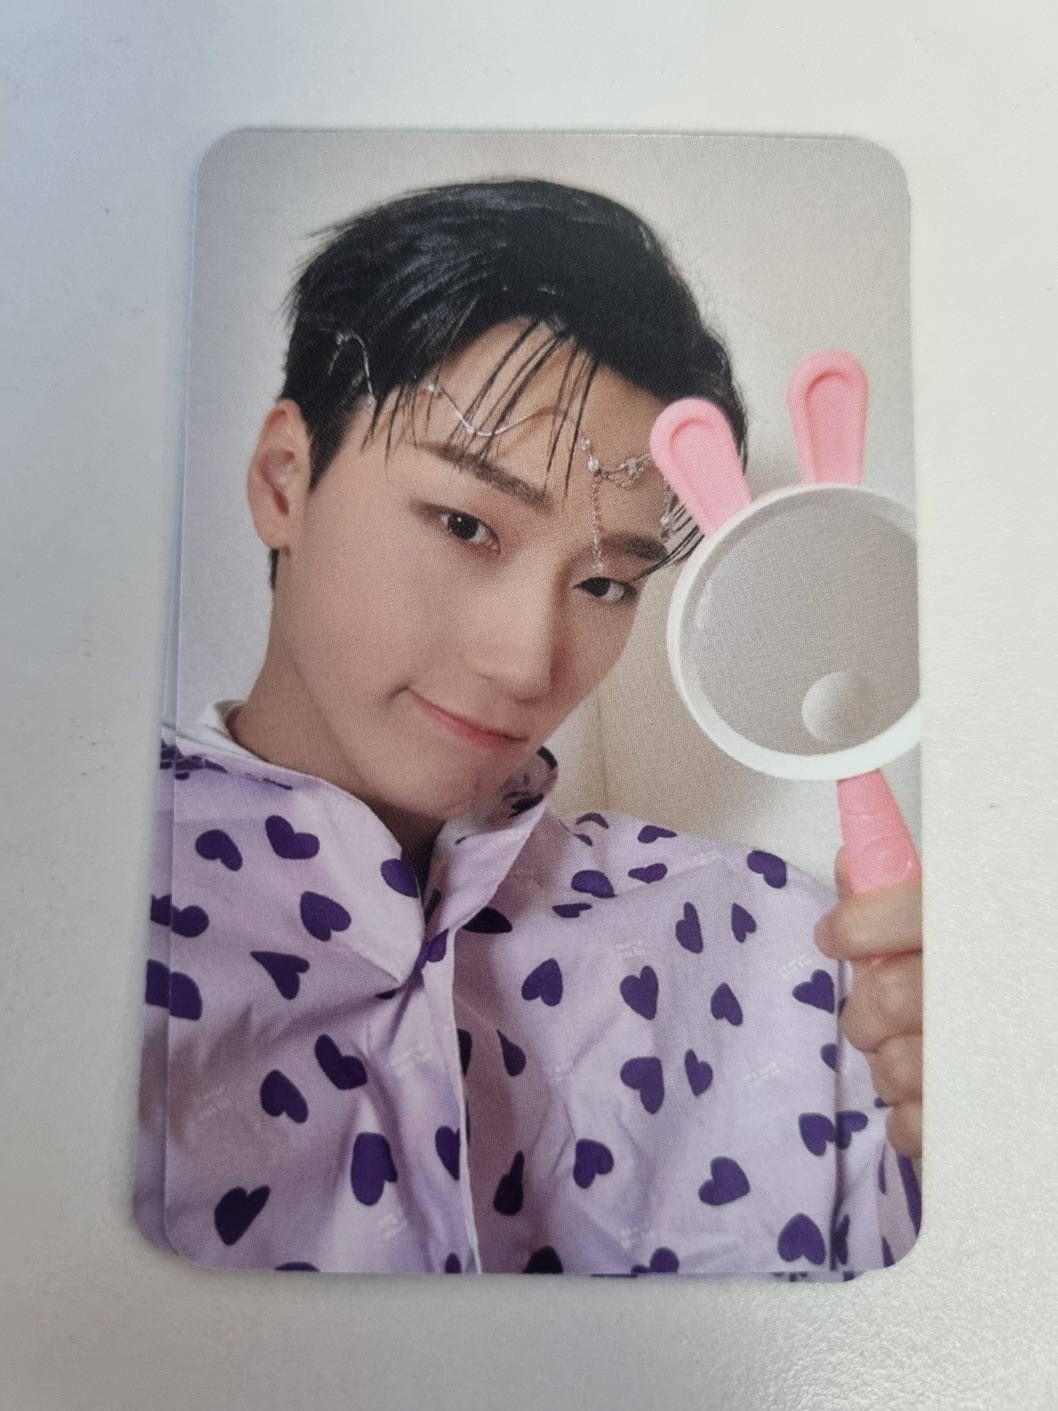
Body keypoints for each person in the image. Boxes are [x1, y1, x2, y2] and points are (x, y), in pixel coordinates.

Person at [135, 179, 922, 1276]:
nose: (526, 662)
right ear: (284, 481)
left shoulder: (794, 958)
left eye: (604, 585)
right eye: (464, 524)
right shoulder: (77, 912)